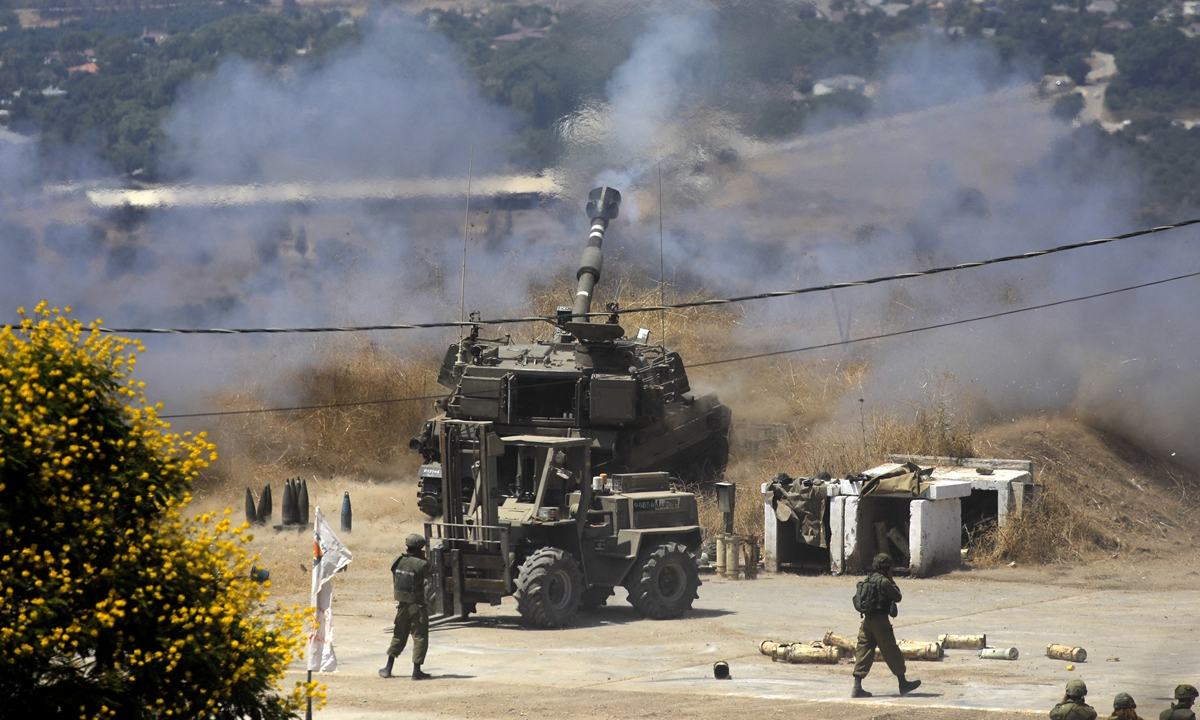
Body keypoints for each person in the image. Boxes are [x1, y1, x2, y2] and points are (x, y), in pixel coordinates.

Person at [851, 553, 921, 698]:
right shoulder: (883, 582)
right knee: (891, 651)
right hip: (881, 623)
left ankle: (857, 687)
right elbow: (897, 597)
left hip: (867, 622)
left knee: (863, 651)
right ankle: (903, 683)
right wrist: (891, 580)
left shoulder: (868, 580)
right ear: (886, 568)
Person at [379, 534, 432, 680]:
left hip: (402, 606)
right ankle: (416, 671)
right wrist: (423, 559)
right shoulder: (421, 564)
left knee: (399, 635)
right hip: (418, 606)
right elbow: (428, 574)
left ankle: (388, 668)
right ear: (419, 549)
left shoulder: (397, 560)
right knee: (420, 637)